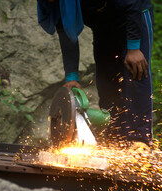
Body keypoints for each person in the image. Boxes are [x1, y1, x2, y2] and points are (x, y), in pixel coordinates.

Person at [38, 0, 154, 147]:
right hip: (103, 29)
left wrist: (134, 48)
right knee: (106, 84)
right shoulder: (56, 3)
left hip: (133, 18)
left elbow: (133, 3)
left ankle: (140, 140)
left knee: (134, 75)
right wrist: (72, 76)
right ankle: (115, 142)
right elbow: (67, 32)